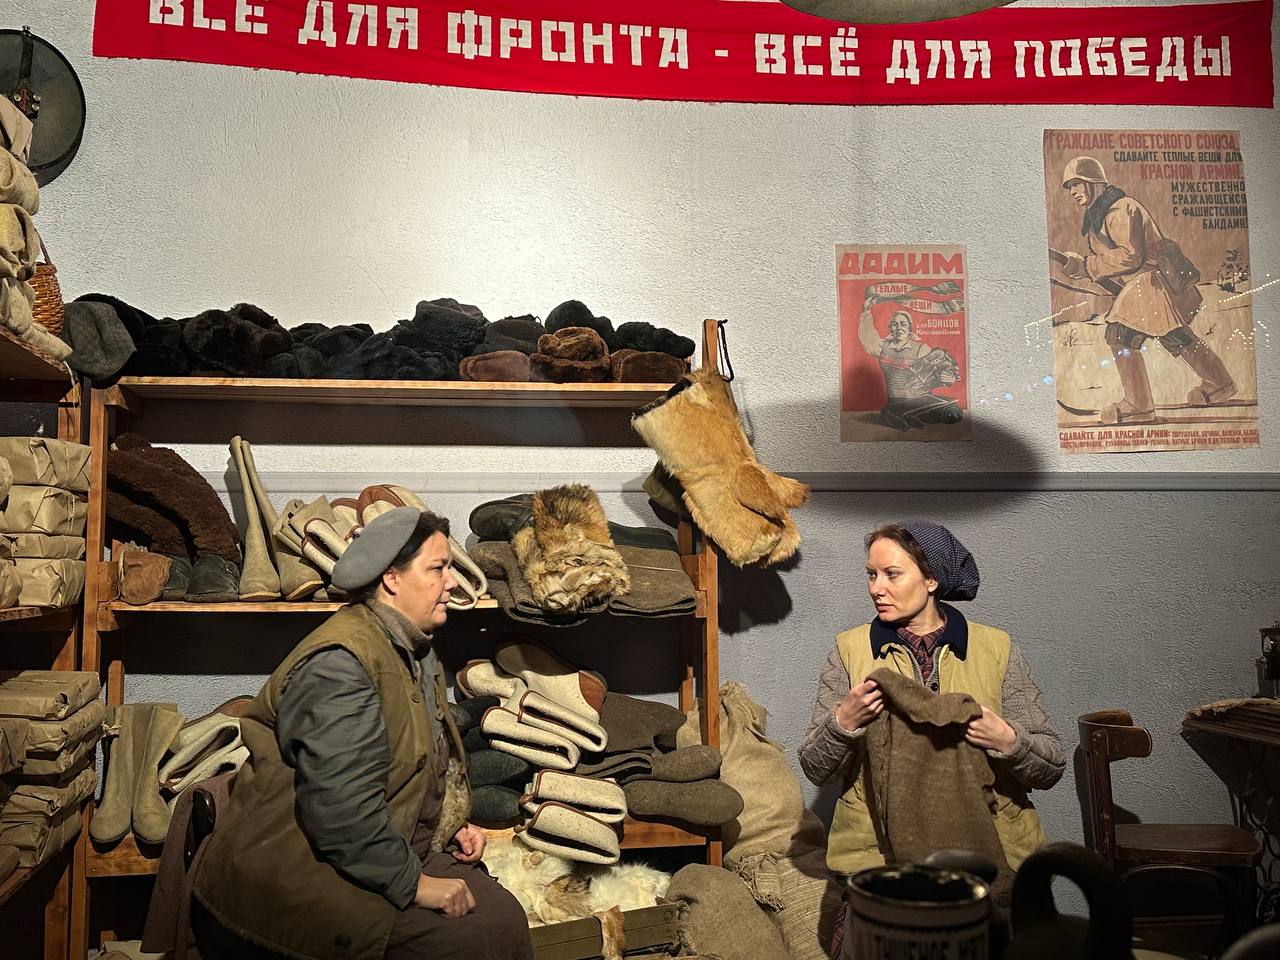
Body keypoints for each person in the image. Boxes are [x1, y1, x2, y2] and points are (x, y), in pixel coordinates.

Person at [191, 507, 533, 960]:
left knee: (504, 918)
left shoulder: (413, 648)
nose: (452, 582)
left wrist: (447, 820)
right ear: (392, 579)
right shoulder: (341, 666)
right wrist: (414, 885)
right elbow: (338, 809)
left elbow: (413, 758)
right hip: (305, 863)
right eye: (437, 568)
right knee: (468, 941)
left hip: (381, 842)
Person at [799, 521, 1064, 877]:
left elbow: (1051, 767)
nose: (876, 588)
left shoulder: (996, 649)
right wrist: (843, 724)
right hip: (879, 862)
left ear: (931, 580)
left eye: (892, 574)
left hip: (992, 854)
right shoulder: (850, 651)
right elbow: (816, 769)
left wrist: (1008, 741)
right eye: (871, 575)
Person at [1058, 155, 1236, 425]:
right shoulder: (1100, 214)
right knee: (1174, 335)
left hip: (1153, 281)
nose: (1072, 192)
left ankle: (1138, 405)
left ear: (1093, 182)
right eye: (1070, 187)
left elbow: (1130, 256)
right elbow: (1117, 261)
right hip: (1145, 284)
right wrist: (1083, 267)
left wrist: (1086, 265)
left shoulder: (1120, 209)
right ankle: (1220, 383)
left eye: (1076, 184)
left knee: (1121, 334)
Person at [857, 307, 962, 430]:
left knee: (953, 413)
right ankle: (900, 414)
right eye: (895, 324)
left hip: (921, 399)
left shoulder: (921, 349)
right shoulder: (883, 347)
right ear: (890, 328)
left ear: (909, 328)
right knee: (905, 418)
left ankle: (917, 414)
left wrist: (950, 379)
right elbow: (867, 337)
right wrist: (866, 311)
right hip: (896, 401)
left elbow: (935, 374)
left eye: (903, 324)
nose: (899, 328)